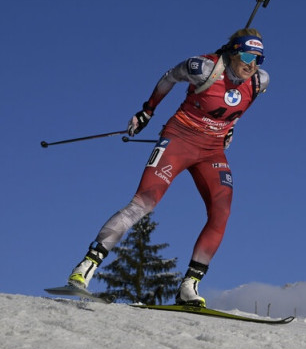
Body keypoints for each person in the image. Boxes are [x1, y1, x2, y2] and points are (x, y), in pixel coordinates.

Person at [66, 28, 270, 307]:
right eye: (247, 55)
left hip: (211, 151)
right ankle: (84, 269)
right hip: (179, 140)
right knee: (144, 203)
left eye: (259, 58)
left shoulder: (259, 81)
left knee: (221, 212)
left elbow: (236, 108)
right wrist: (147, 110)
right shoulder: (204, 68)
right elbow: (169, 78)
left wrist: (230, 128)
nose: (252, 64)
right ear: (233, 52)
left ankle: (189, 285)